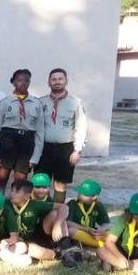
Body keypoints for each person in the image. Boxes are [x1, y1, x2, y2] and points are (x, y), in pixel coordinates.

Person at [37, 68, 88, 203]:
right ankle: (41, 215)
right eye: (53, 79)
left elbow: (81, 127)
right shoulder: (41, 102)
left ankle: (57, 213)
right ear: (49, 82)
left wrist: (77, 150)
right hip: (44, 148)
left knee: (60, 185)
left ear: (66, 81)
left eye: (60, 79)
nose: (57, 82)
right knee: (41, 183)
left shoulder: (75, 102)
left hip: (65, 149)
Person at [0, 69, 45, 193]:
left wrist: (35, 157)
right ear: (13, 82)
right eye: (19, 80)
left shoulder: (36, 104)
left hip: (27, 142)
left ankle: (16, 206)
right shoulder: (4, 103)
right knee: (2, 177)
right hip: (7, 141)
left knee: (20, 180)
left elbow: (40, 132)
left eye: (27, 80)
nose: (23, 83)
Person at [6, 179, 80, 267]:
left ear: (26, 196)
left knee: (55, 214)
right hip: (17, 240)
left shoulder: (34, 204)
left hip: (35, 236)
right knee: (26, 248)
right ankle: (58, 253)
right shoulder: (5, 204)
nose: (12, 194)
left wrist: (57, 224)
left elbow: (64, 207)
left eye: (16, 192)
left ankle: (67, 250)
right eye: (12, 191)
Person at [66, 179, 110, 249]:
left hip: (92, 233)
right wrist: (87, 229)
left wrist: (101, 230)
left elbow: (106, 223)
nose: (79, 195)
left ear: (94, 197)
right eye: (79, 192)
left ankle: (111, 242)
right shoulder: (72, 203)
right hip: (80, 231)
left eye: (84, 194)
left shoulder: (98, 205)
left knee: (111, 233)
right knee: (70, 230)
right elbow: (68, 222)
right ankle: (102, 244)